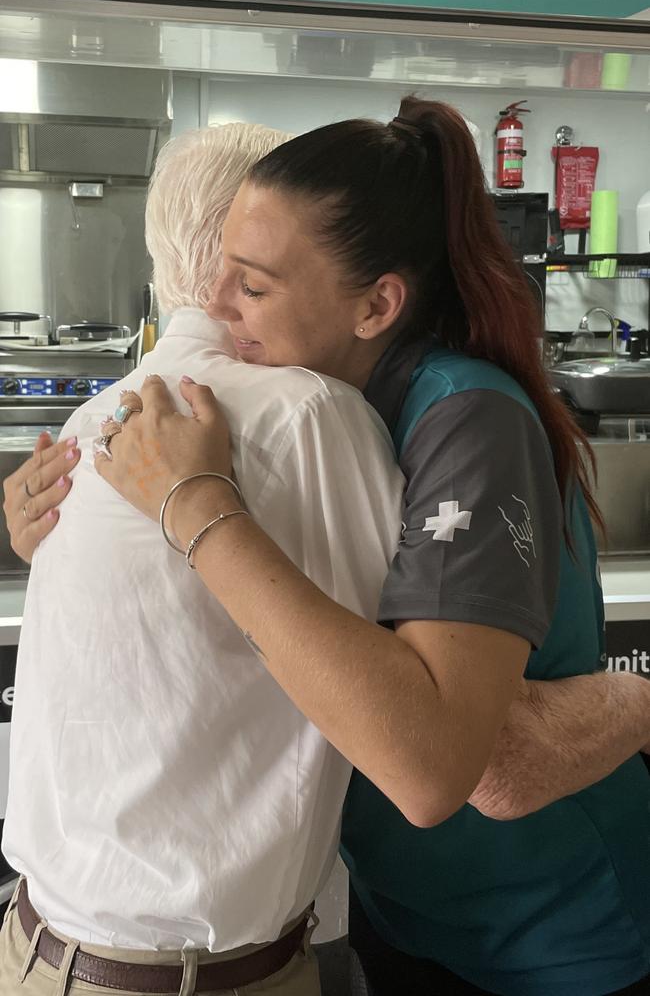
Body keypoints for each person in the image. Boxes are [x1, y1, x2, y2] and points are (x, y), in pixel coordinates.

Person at [87, 98, 650, 996]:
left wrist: (196, 508)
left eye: (255, 285)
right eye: (219, 270)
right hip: (410, 914)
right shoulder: (314, 407)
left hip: (553, 935)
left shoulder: (465, 417)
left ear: (378, 303)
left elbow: (439, 769)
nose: (216, 306)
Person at [0, 122, 407, 996]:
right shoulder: (311, 415)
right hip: (194, 979)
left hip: (32, 947)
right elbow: (407, 699)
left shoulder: (93, 416)